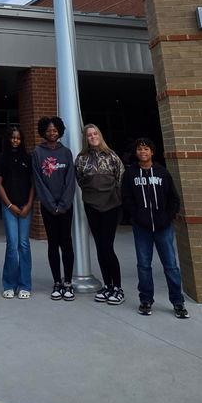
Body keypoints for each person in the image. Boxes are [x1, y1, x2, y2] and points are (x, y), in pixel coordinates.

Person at [121, 137, 190, 319]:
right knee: (144, 265)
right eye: (139, 149)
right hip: (141, 227)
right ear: (135, 152)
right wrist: (136, 216)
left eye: (146, 149)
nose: (143, 152)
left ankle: (178, 301)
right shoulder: (130, 174)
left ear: (152, 152)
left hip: (163, 227)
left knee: (171, 265)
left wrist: (167, 218)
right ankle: (146, 300)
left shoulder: (162, 173)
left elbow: (173, 199)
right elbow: (126, 198)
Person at [75, 123, 125, 304]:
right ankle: (107, 285)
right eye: (89, 135)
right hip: (92, 205)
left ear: (100, 135)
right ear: (86, 138)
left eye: (95, 133)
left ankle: (117, 287)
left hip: (111, 206)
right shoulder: (81, 159)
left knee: (107, 247)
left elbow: (121, 178)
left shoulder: (111, 156)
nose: (93, 137)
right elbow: (80, 180)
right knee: (99, 246)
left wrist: (114, 197)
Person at [32, 116, 76, 301]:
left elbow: (70, 180)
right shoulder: (38, 152)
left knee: (66, 242)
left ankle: (68, 282)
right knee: (53, 243)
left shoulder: (66, 152)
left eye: (55, 130)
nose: (52, 133)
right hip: (48, 207)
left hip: (65, 207)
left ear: (60, 131)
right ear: (43, 132)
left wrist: (63, 204)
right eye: (49, 130)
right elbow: (38, 180)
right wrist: (51, 204)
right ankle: (57, 282)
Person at [0, 125, 34, 299]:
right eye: (12, 137)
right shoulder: (2, 158)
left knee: (23, 245)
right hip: (9, 207)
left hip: (26, 206)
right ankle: (9, 284)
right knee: (12, 245)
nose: (15, 140)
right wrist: (10, 205)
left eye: (18, 138)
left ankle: (25, 285)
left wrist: (29, 205)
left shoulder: (28, 158)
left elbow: (33, 184)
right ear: (8, 139)